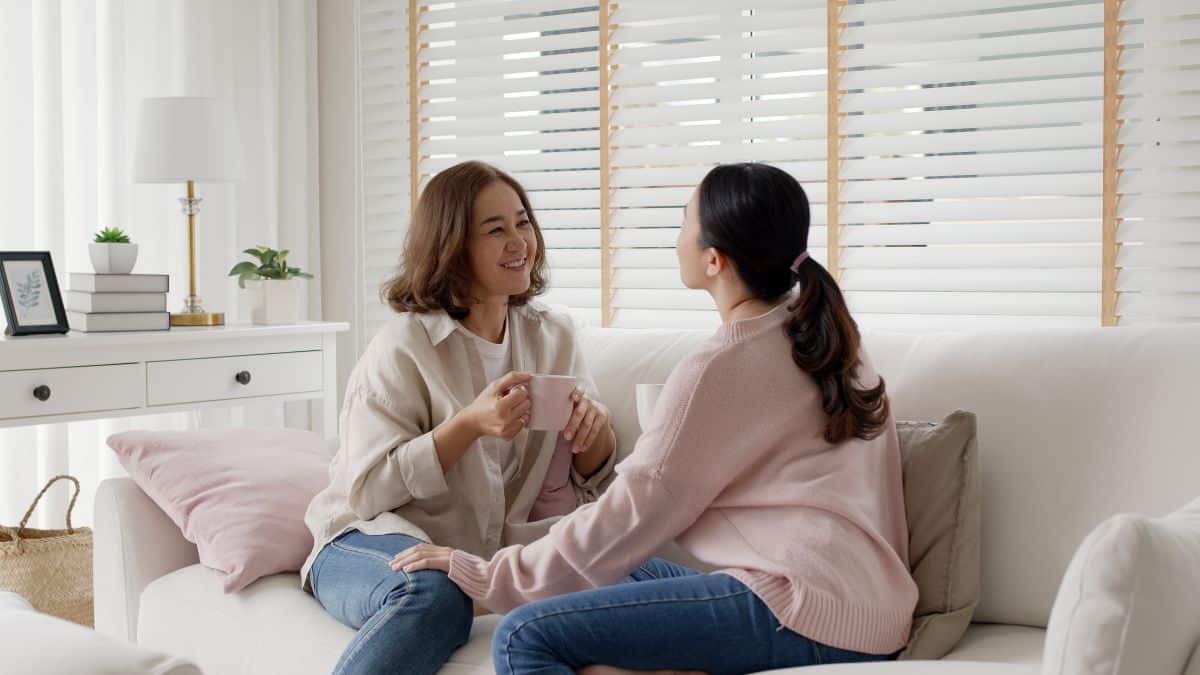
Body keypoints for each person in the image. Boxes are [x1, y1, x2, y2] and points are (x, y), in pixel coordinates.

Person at [392, 163, 919, 674]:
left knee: (523, 635)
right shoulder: (832, 338)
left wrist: (487, 577)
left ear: (713, 260)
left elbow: (630, 513)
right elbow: (620, 540)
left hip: (802, 610)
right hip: (875, 609)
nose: (676, 238)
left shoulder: (721, 367)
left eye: (683, 222)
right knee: (619, 570)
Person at [301, 160, 618, 675]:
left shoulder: (553, 337)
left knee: (615, 571)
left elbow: (595, 476)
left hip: (467, 557)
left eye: (523, 223)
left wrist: (593, 430)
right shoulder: (404, 346)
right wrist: (467, 425)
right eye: (495, 230)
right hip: (366, 538)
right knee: (435, 595)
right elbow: (366, 492)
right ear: (452, 248)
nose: (519, 241)